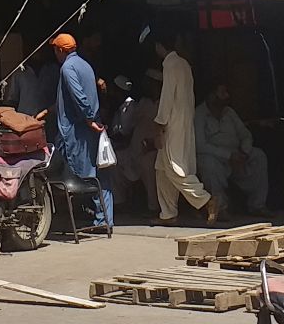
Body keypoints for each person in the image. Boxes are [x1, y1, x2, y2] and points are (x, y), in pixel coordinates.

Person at [150, 28, 217, 225]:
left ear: (159, 46)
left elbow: (167, 97)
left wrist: (160, 123)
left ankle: (206, 200)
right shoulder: (184, 64)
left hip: (173, 125)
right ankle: (168, 213)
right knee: (161, 169)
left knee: (175, 168)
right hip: (184, 122)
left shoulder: (170, 65)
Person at [49, 32, 112, 233]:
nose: (55, 53)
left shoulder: (67, 68)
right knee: (97, 173)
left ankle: (97, 220)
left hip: (78, 131)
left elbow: (78, 96)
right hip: (87, 128)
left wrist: (89, 119)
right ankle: (104, 219)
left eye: (55, 49)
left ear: (61, 50)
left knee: (83, 176)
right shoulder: (85, 65)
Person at [193, 81, 269, 215]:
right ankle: (220, 208)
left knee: (259, 155)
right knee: (208, 163)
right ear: (211, 96)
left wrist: (244, 152)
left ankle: (257, 205)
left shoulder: (229, 112)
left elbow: (245, 134)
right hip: (217, 158)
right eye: (222, 93)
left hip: (238, 156)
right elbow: (200, 145)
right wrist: (228, 156)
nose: (227, 96)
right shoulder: (199, 114)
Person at [110, 75, 160, 218]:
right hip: (134, 148)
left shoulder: (162, 103)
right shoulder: (142, 103)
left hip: (154, 148)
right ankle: (119, 202)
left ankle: (154, 208)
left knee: (148, 165)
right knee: (113, 162)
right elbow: (128, 128)